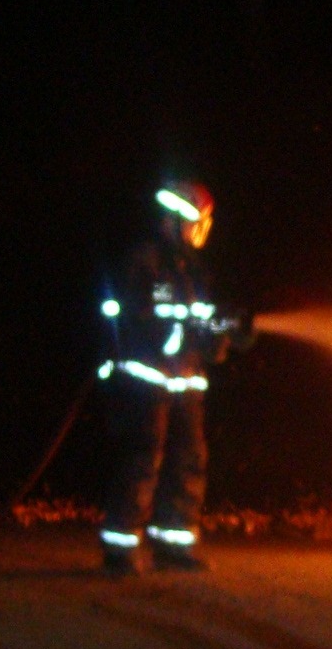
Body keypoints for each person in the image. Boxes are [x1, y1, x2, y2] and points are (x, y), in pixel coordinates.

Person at [96, 180, 247, 575]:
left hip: (185, 381)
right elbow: (151, 315)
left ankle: (174, 543)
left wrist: (225, 330)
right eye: (195, 222)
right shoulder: (146, 261)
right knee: (143, 459)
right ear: (176, 220)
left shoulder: (191, 268)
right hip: (148, 380)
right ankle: (121, 549)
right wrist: (197, 323)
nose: (200, 231)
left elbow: (196, 318)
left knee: (188, 460)